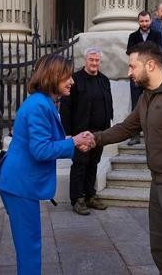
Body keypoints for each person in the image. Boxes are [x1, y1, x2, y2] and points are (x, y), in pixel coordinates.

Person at [92, 41, 162, 274]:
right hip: (159, 184)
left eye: (133, 67)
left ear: (151, 65)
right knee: (161, 251)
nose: (129, 72)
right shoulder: (147, 97)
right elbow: (126, 128)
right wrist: (95, 138)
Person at [0, 54, 94, 274]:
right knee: (30, 247)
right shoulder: (39, 105)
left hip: (18, 183)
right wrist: (75, 142)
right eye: (67, 76)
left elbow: (44, 142)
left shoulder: (42, 102)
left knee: (28, 244)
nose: (72, 81)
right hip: (20, 186)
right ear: (54, 76)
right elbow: (40, 150)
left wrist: (72, 140)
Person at [60, 47, 114, 215]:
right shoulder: (75, 79)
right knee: (80, 164)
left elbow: (109, 104)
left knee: (93, 164)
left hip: (99, 133)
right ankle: (77, 199)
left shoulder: (104, 80)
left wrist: (108, 127)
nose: (94, 63)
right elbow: (66, 108)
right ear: (85, 60)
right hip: (80, 132)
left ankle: (90, 195)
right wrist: (68, 133)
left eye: (97, 60)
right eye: (91, 60)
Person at [126, 10, 162, 145]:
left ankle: (156, 134)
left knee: (157, 104)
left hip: (152, 74)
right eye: (142, 21)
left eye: (146, 21)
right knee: (136, 104)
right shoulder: (132, 36)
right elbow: (130, 52)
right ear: (138, 22)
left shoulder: (157, 34)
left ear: (150, 21)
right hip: (137, 75)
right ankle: (135, 135)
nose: (144, 24)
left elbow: (160, 51)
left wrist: (141, 51)